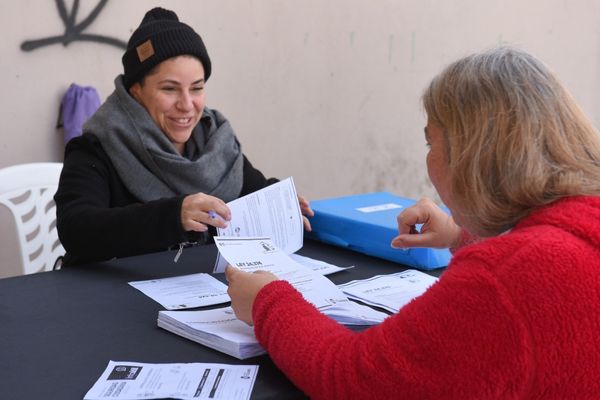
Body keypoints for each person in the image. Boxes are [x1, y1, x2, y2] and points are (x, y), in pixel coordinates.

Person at [226, 47, 600, 399]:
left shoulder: (501, 278)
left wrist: (267, 302)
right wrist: (461, 235)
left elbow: (352, 379)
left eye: (430, 145)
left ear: (470, 156)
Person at [54, 7, 312, 267]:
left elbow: (249, 191)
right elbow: (76, 228)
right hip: (109, 295)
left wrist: (282, 203)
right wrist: (174, 216)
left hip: (201, 292)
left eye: (197, 88)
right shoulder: (97, 146)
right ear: (135, 91)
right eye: (170, 89)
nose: (187, 104)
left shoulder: (215, 140)